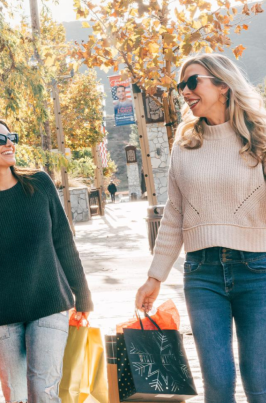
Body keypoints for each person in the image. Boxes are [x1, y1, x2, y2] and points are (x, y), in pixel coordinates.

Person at [135, 54, 266, 402]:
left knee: (260, 381)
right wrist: (154, 277)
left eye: (193, 82)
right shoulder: (185, 144)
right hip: (201, 273)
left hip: (258, 271)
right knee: (218, 382)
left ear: (223, 85)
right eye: (182, 86)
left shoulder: (261, 139)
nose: (185, 92)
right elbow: (174, 215)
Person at [0, 118, 94, 403]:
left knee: (43, 391)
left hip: (49, 304)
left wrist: (83, 295)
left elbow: (64, 242)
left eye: (11, 137)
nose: (9, 143)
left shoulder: (39, 184)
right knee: (15, 395)